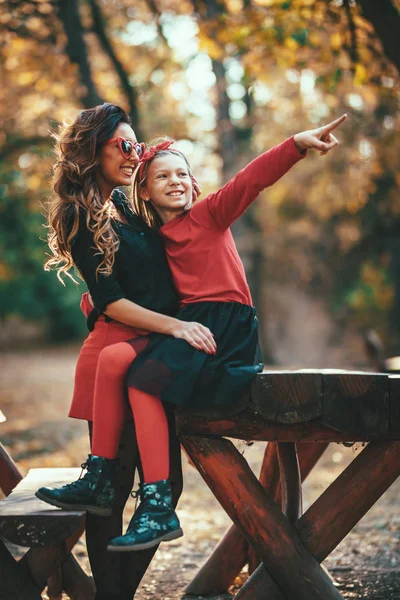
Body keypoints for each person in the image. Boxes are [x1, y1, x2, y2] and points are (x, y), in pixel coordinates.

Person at [37, 113, 347, 555]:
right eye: (162, 175)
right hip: (186, 324)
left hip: (221, 326)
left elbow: (248, 182)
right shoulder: (154, 233)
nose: (175, 181)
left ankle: (157, 501)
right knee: (118, 363)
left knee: (144, 380)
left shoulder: (207, 216)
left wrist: (295, 144)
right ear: (144, 190)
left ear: (196, 183)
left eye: (183, 173)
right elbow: (137, 283)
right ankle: (104, 479)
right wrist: (95, 304)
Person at [36, 102, 216, 600]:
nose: (135, 154)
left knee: (162, 486)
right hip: (117, 354)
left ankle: (112, 595)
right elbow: (113, 300)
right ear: (94, 148)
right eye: (125, 145)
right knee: (111, 490)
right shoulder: (78, 211)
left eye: (138, 145)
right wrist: (178, 326)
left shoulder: (126, 205)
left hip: (150, 348)